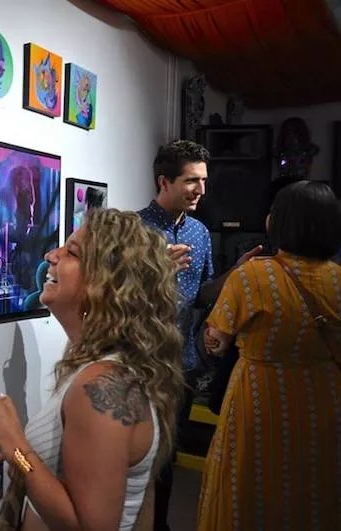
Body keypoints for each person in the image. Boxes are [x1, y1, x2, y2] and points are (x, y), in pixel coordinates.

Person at [0, 208, 184, 530]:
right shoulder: (97, 367)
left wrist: (12, 443)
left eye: (72, 252)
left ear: (104, 284)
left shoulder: (103, 384)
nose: (51, 255)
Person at [199, 180, 341, 530]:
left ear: (275, 222)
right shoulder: (338, 279)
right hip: (325, 400)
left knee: (250, 481)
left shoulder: (252, 275)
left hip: (259, 397)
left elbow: (216, 342)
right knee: (314, 484)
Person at [137, 139, 261, 531]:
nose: (201, 190)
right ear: (164, 181)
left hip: (183, 361)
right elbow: (112, 294)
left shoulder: (200, 232)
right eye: (192, 181)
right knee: (136, 452)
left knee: (169, 455)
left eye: (204, 181)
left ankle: (159, 525)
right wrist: (156, 271)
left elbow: (203, 295)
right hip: (138, 359)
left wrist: (235, 274)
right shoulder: (132, 231)